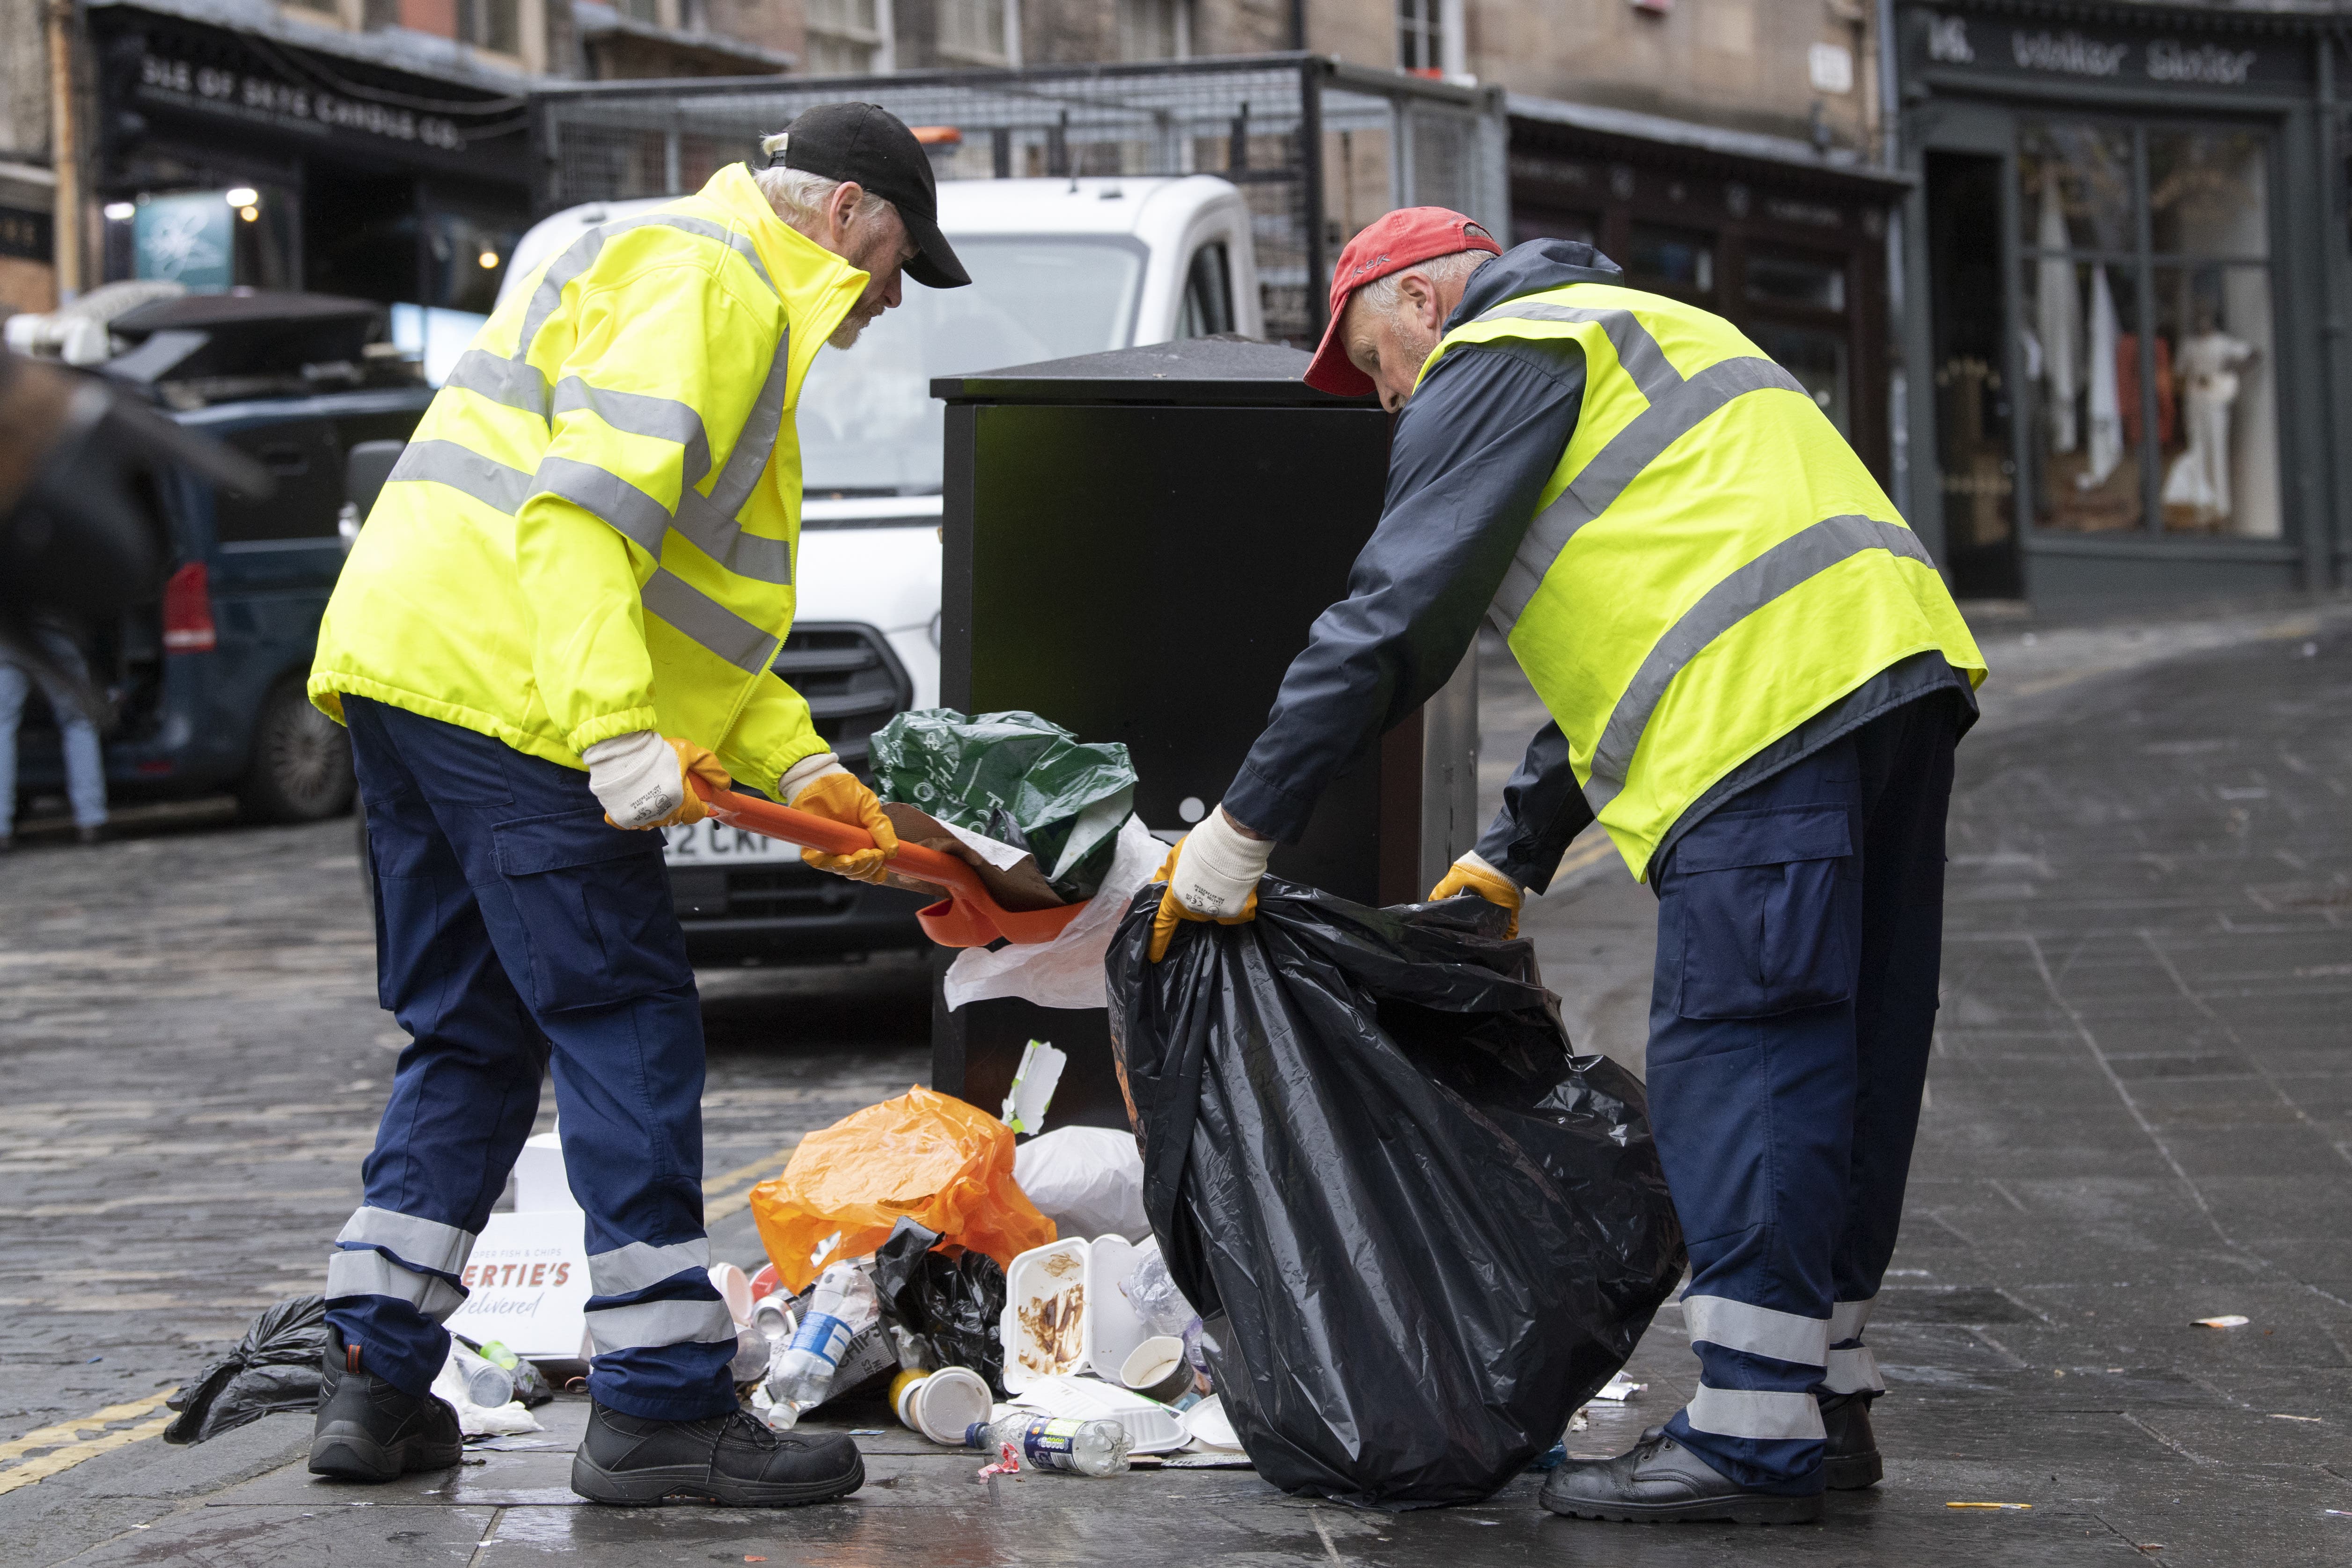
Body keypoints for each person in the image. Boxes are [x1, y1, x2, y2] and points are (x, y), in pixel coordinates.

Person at [1152, 207, 1986, 1524]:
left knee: (1748, 1042)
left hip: (1759, 712)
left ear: (1426, 300)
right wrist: (1513, 846)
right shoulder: (1657, 327)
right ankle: (1818, 1392)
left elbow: (1393, 617)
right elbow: (1659, 599)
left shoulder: (1506, 350)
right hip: (1892, 683)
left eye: (1377, 363)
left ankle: (1748, 1434)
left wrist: (1239, 830)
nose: (1385, 402)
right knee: (1851, 1044)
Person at [302, 103, 965, 1507]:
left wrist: (803, 770)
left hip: (418, 669)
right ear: (846, 213)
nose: (894, 296)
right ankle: (660, 1405)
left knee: (473, 1030)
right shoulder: (717, 283)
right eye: (902, 256)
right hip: (513, 694)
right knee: (626, 1020)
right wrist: (611, 733)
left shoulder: (679, 264)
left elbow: (688, 612)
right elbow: (580, 521)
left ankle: (370, 1378)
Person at [0, 619, 110, 851]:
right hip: (53, 629)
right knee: (79, 723)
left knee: (1, 728)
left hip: (7, 634)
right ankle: (91, 820)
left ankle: (1, 829)